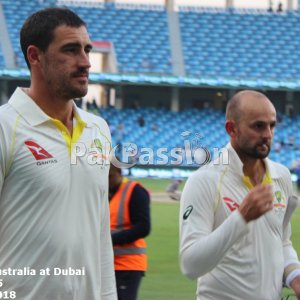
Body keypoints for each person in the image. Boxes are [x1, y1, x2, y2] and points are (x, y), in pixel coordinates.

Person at [0, 8, 117, 299]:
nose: (86, 62)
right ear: (35, 56)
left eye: (87, 50)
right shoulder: (5, 126)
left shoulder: (98, 129)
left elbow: (100, 232)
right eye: (71, 50)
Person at [179, 90, 300, 300]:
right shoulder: (204, 180)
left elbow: (281, 241)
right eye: (258, 126)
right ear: (232, 129)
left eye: (272, 125)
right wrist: (241, 217)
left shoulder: (281, 176)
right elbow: (190, 265)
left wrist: (295, 277)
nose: (268, 134)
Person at [109, 164, 151, 300]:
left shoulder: (135, 191)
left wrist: (110, 239)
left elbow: (143, 227)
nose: (107, 181)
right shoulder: (102, 191)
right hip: (105, 262)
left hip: (127, 264)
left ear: (119, 173)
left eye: (110, 177)